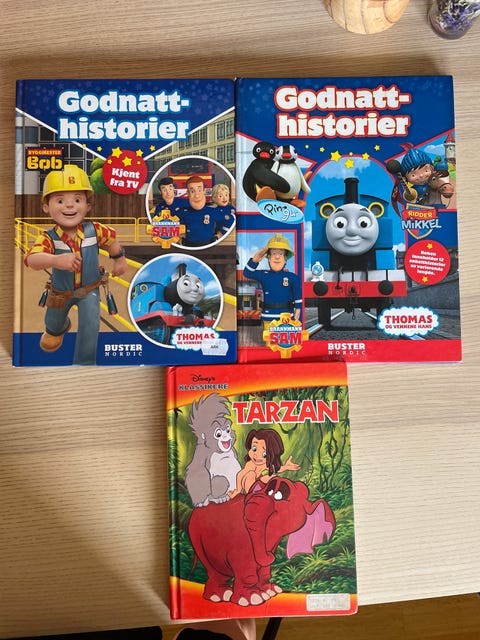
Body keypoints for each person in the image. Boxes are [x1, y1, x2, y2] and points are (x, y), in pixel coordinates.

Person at [24, 164, 127, 365]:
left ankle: (84, 363)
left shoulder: (96, 230)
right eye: (60, 200)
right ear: (46, 207)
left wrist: (120, 259)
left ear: (87, 205)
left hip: (90, 290)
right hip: (59, 292)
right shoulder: (48, 237)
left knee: (90, 324)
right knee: (53, 323)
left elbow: (112, 242)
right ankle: (58, 329)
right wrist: (55, 260)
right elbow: (32, 259)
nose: (69, 206)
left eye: (77, 200)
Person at [243, 233, 302, 328]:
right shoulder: (264, 275)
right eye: (274, 253)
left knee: (286, 338)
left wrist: (298, 308)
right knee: (268, 338)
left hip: (287, 318)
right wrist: (254, 261)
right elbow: (247, 273)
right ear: (269, 257)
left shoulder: (293, 277)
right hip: (268, 317)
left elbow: (297, 295)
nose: (277, 257)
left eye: (281, 254)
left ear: (285, 258)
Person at [229, 428, 300, 498]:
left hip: (259, 487)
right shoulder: (251, 464)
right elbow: (240, 475)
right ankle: (253, 496)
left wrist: (286, 467)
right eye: (254, 449)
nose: (256, 455)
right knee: (251, 474)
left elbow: (276, 469)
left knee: (271, 477)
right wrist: (238, 490)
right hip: (250, 490)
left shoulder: (265, 464)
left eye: (264, 454)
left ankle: (266, 495)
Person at [179, 175, 235, 247]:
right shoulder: (184, 211)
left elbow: (230, 220)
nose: (197, 196)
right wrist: (179, 238)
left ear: (204, 191)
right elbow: (171, 222)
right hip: (188, 245)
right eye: (192, 191)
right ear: (188, 193)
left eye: (199, 190)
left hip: (208, 245)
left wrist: (219, 235)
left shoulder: (212, 211)